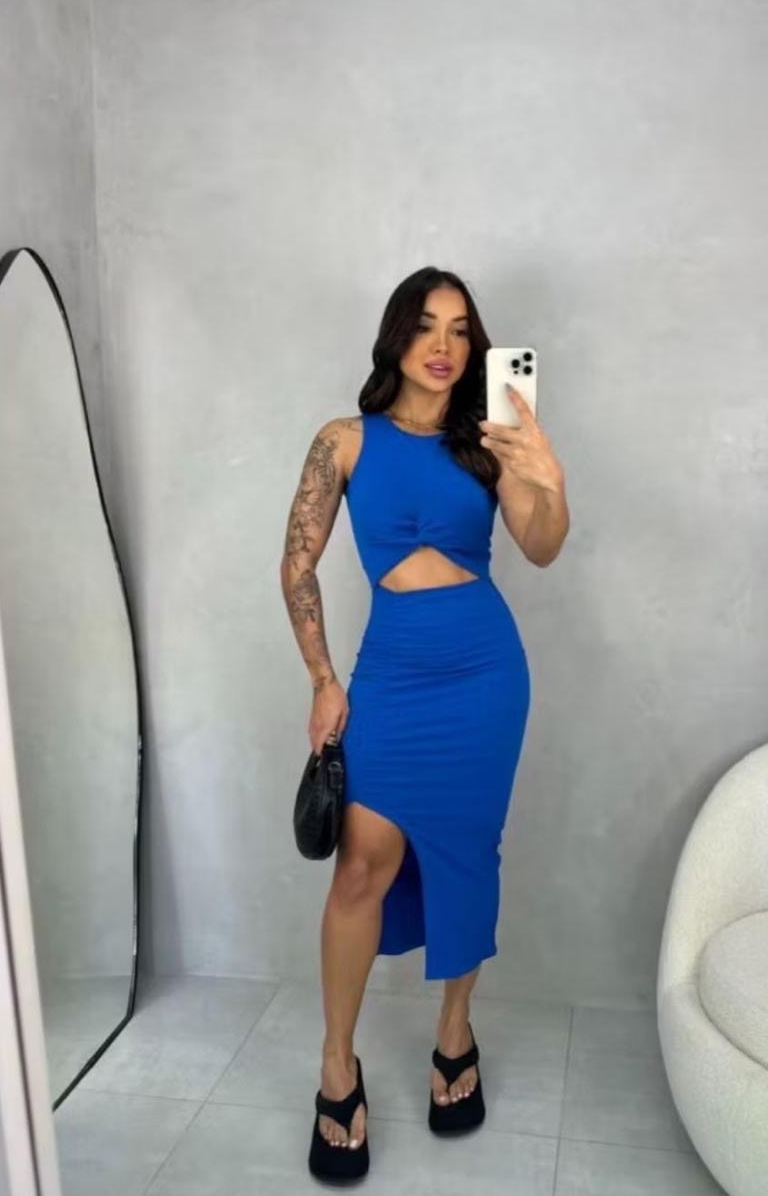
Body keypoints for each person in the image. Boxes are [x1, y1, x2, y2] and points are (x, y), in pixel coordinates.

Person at [280, 266, 569, 1182]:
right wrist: (323, 681)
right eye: (425, 326)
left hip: (485, 677)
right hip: (393, 677)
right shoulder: (344, 440)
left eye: (459, 330)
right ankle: (337, 1066)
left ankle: (454, 1032)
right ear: (396, 336)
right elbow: (296, 566)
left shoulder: (489, 441)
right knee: (360, 866)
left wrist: (547, 475)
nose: (443, 346)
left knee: (468, 855)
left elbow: (540, 547)